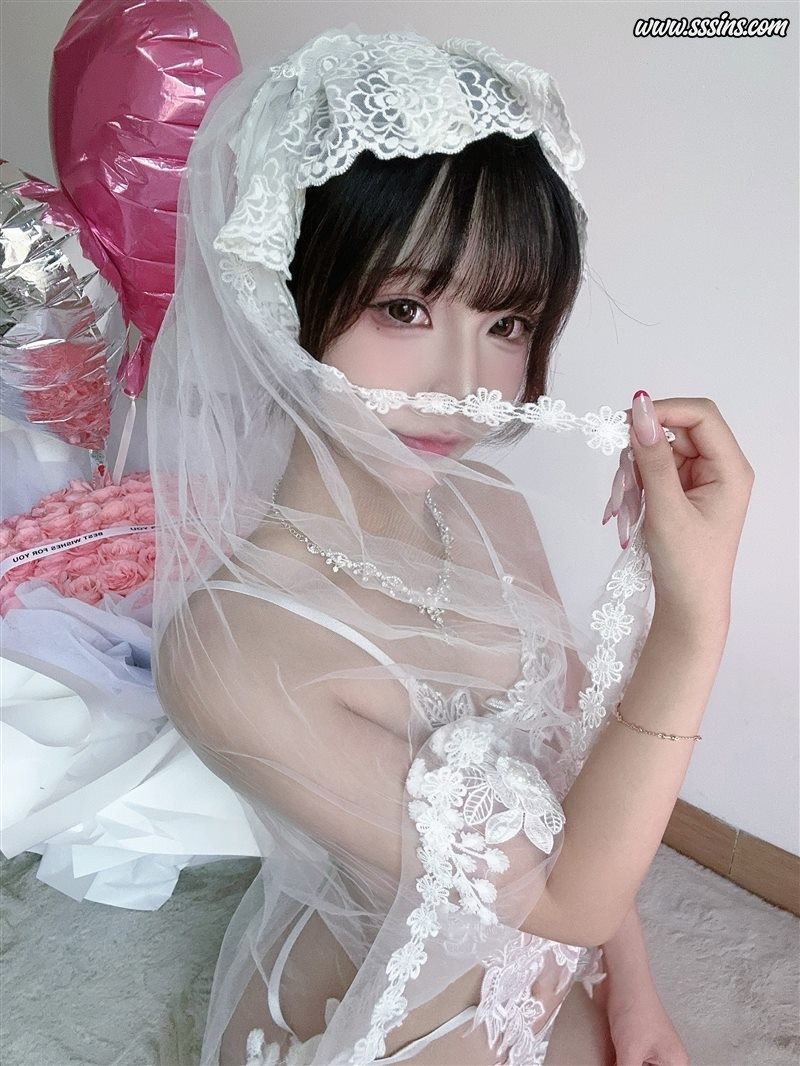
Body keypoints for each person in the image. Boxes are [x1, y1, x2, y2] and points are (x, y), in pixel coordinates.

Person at [146, 28, 754, 1066]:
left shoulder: (487, 502)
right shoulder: (230, 651)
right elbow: (558, 898)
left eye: (507, 322)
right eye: (404, 307)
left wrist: (636, 994)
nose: (465, 385)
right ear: (280, 299)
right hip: (381, 1023)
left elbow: (574, 776)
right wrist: (692, 620)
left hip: (536, 979)